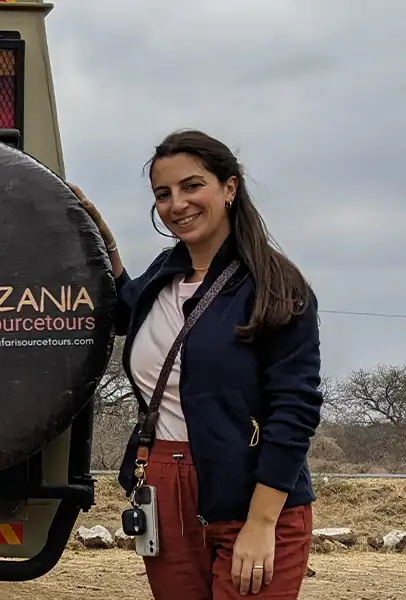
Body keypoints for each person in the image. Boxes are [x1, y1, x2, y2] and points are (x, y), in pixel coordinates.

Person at [71, 129, 322, 599]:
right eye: (162, 194)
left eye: (192, 186)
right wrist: (98, 242)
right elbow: (124, 309)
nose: (177, 204)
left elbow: (296, 410)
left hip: (250, 493)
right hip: (165, 491)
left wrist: (262, 522)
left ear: (229, 187)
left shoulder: (274, 285)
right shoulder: (163, 275)